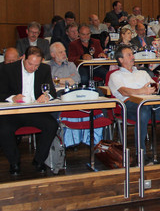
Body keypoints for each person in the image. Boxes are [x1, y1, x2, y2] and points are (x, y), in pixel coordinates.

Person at [109, 46, 160, 161]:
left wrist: (159, 87)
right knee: (144, 111)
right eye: (129, 55)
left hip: (151, 102)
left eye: (132, 54)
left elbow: (154, 86)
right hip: (130, 105)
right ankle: (140, 153)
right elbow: (123, 91)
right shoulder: (115, 75)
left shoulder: (142, 73)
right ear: (120, 60)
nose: (133, 57)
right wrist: (142, 91)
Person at [0, 47, 58, 175]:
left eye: (36, 65)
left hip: (34, 111)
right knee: (4, 129)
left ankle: (39, 160)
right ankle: (14, 162)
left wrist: (46, 96)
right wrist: (12, 98)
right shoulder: (8, 69)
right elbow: (1, 92)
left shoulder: (44, 69)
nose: (33, 68)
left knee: (52, 125)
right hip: (13, 112)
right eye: (30, 64)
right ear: (23, 58)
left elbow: (52, 91)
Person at [49, 42, 103, 147]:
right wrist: (67, 79)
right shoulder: (47, 67)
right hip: (57, 97)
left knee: (97, 92)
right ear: (53, 54)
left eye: (64, 51)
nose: (64, 54)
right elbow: (49, 82)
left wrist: (58, 80)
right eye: (61, 52)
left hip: (72, 94)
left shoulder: (71, 65)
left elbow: (76, 80)